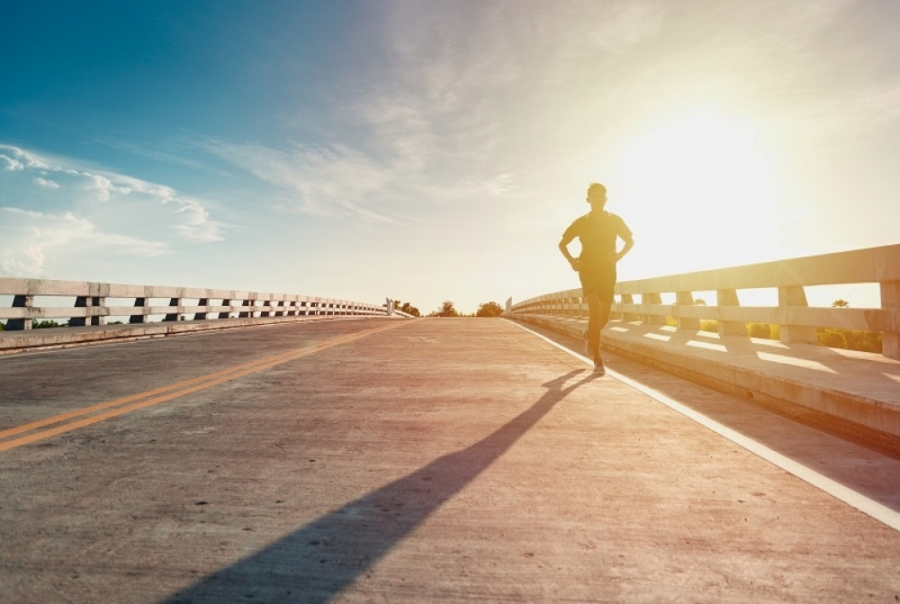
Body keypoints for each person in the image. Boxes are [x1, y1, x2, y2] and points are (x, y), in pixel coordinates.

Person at [558, 182, 634, 375]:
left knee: (605, 316)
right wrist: (572, 261)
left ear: (606, 199)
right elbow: (563, 243)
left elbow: (630, 241)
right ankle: (598, 361)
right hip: (588, 270)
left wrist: (619, 255)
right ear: (588, 200)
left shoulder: (615, 220)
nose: (598, 199)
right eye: (594, 196)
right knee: (594, 309)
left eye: (602, 195)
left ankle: (589, 335)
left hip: (608, 270)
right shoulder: (581, 222)